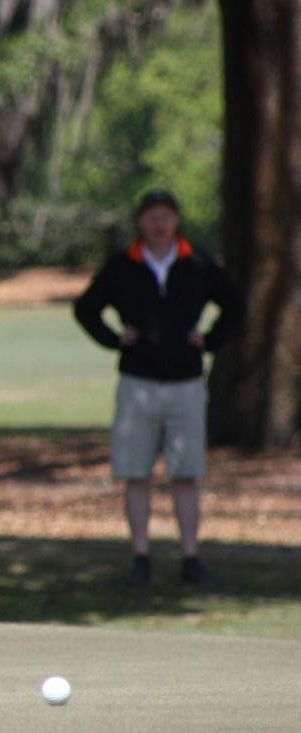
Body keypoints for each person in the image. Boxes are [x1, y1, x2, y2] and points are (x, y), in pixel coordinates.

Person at [73, 190, 244, 587]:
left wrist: (212, 340)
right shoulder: (122, 267)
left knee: (186, 473)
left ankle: (190, 555)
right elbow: (86, 309)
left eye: (166, 216)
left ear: (176, 221)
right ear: (141, 222)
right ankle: (140, 555)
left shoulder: (197, 264)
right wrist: (116, 339)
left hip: (185, 381)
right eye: (152, 217)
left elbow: (235, 305)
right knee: (136, 473)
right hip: (138, 382)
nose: (159, 224)